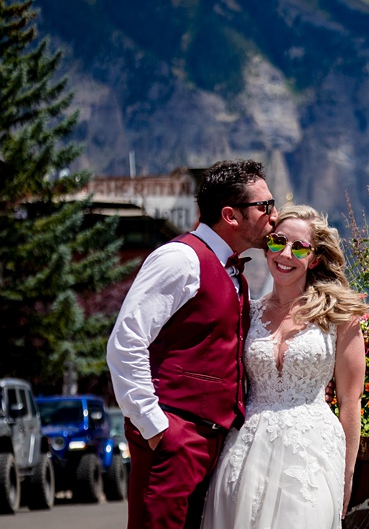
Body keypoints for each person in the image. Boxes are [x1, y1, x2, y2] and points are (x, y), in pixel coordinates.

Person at [107, 159, 278, 529]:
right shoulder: (180, 259)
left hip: (212, 442)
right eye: (265, 206)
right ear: (231, 215)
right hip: (175, 435)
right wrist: (157, 428)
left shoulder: (234, 273)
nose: (274, 215)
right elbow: (126, 342)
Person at [201, 204, 366, 529]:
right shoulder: (245, 312)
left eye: (299, 247)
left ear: (315, 257)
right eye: (277, 242)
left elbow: (350, 400)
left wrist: (348, 473)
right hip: (246, 451)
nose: (285, 254)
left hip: (311, 453)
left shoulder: (340, 316)